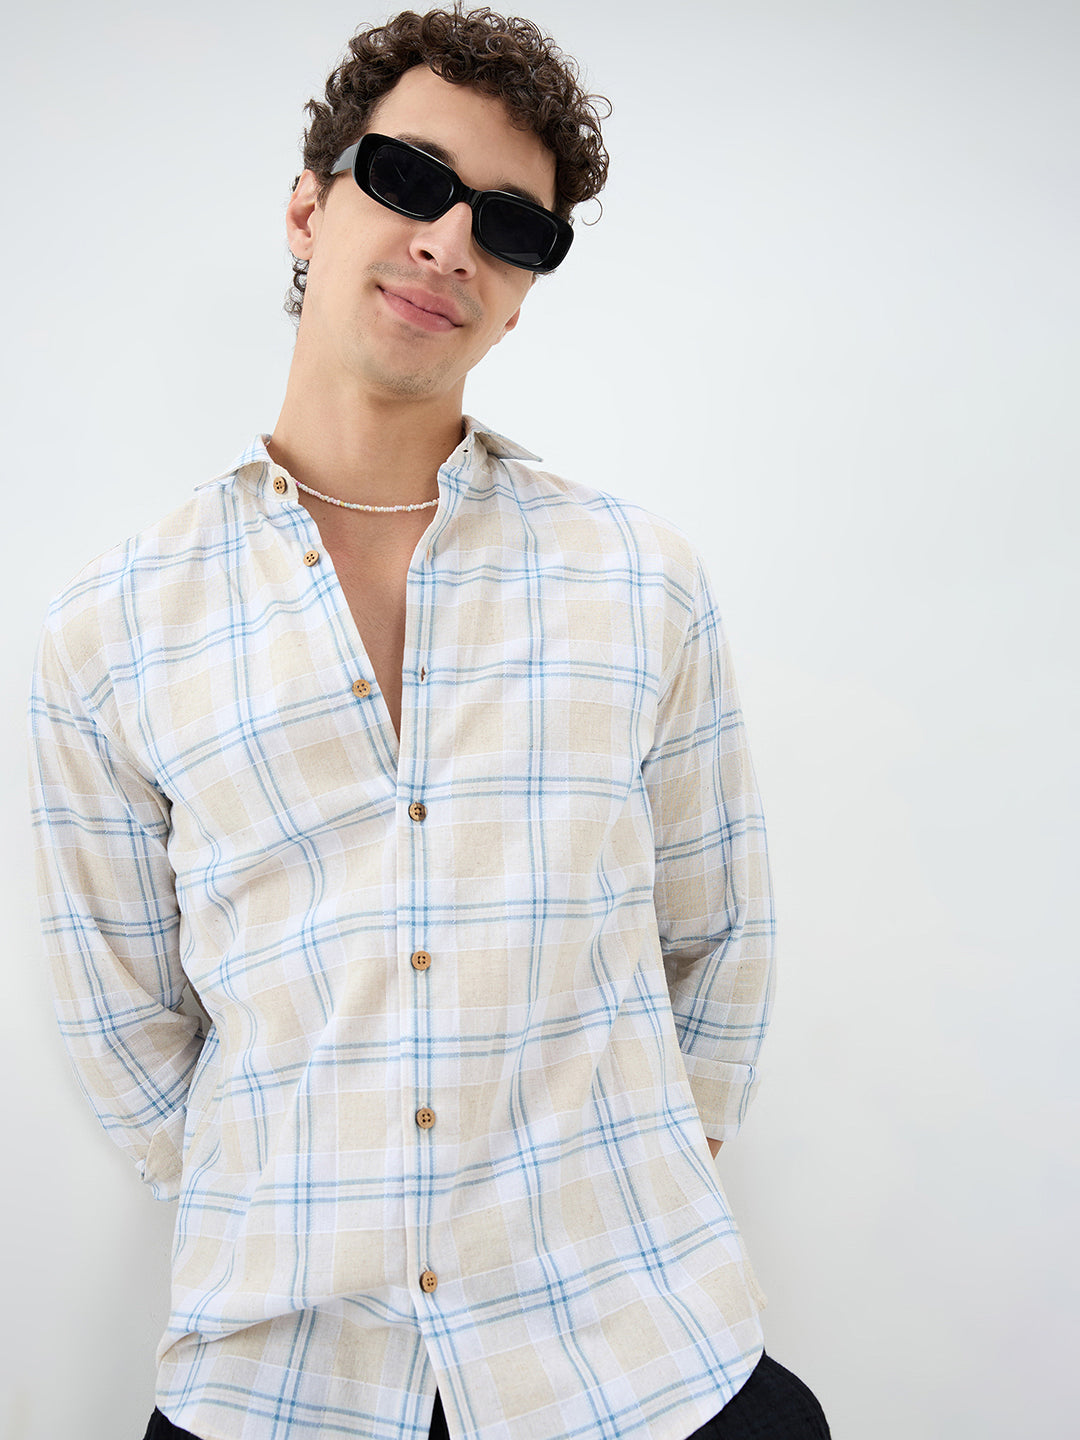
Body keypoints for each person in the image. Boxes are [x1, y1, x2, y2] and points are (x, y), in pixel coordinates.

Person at [28, 9, 830, 1439]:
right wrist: (300, 1206)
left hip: (642, 1365)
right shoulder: (113, 628)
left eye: (512, 225)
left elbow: (720, 939)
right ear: (309, 209)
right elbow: (125, 1023)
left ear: (520, 296)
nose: (452, 241)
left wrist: (625, 1195)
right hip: (282, 1383)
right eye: (410, 179)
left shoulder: (639, 581)